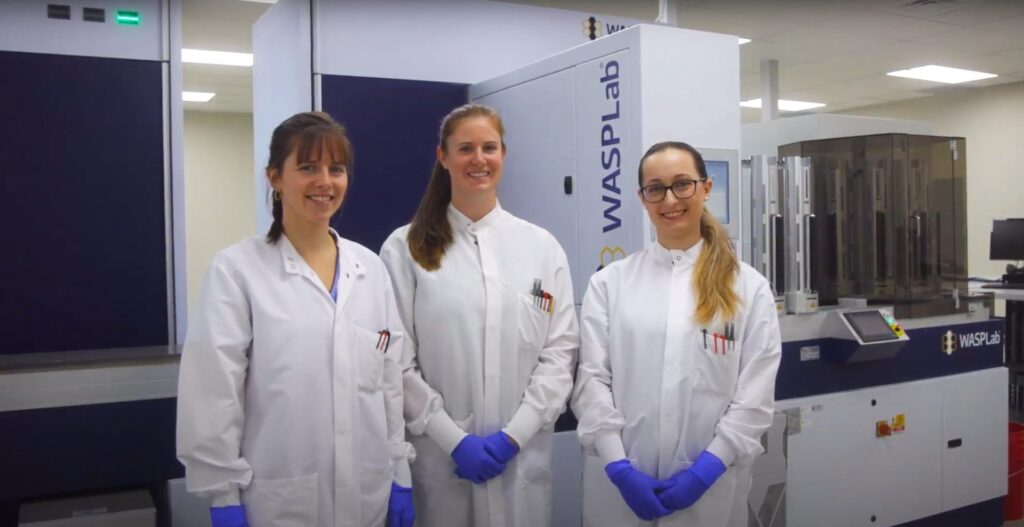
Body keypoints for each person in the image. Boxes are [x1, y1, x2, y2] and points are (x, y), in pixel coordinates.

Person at [176, 112, 415, 527]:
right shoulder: (237, 272)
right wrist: (222, 494)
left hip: (368, 494)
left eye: (336, 169)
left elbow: (389, 383)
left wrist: (400, 470)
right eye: (307, 167)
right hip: (279, 502)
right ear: (275, 178)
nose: (325, 181)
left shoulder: (370, 269)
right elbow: (214, 395)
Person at [379, 103, 579, 527]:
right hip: (441, 463)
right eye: (465, 148)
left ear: (503, 153)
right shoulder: (405, 248)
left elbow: (560, 354)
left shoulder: (541, 248)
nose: (479, 159)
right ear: (443, 157)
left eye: (489, 147)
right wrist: (454, 440)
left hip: (521, 463)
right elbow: (396, 364)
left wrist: (513, 437)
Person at [571, 141, 782, 526]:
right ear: (643, 198)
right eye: (656, 188)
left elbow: (754, 397)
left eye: (682, 184)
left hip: (712, 492)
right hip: (619, 491)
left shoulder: (748, 288)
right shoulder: (609, 284)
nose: (670, 199)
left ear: (706, 188)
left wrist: (706, 471)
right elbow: (592, 382)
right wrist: (619, 468)